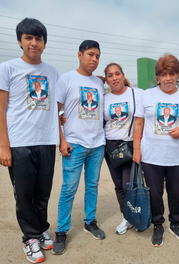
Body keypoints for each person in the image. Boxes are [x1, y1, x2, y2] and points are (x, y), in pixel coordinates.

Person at [0, 17, 59, 264]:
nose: (34, 43)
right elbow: (1, 109)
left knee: (42, 192)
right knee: (24, 193)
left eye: (39, 38)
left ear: (44, 42)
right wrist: (3, 145)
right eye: (29, 38)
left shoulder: (52, 71)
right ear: (20, 41)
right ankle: (30, 238)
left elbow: (57, 107)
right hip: (19, 142)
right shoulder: (8, 68)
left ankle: (41, 228)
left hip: (46, 141)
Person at [132, 54, 179, 246]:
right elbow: (139, 124)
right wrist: (136, 150)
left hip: (176, 156)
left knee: (175, 192)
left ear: (178, 75)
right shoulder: (147, 95)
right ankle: (157, 224)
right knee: (155, 193)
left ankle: (175, 223)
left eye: (172, 74)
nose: (168, 78)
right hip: (151, 155)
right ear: (157, 77)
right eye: (164, 74)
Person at [53, 40, 106, 255]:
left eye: (97, 56)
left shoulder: (99, 83)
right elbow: (54, 113)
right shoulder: (66, 79)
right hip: (74, 143)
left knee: (92, 185)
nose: (94, 59)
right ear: (79, 55)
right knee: (69, 188)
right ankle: (61, 231)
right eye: (90, 54)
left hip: (97, 144)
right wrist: (62, 140)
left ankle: (89, 221)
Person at [103, 62, 142, 235]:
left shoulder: (137, 93)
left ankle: (136, 215)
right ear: (106, 80)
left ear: (123, 75)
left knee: (129, 184)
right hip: (110, 145)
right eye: (110, 75)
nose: (114, 78)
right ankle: (126, 217)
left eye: (117, 73)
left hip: (129, 144)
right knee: (118, 184)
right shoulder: (104, 98)